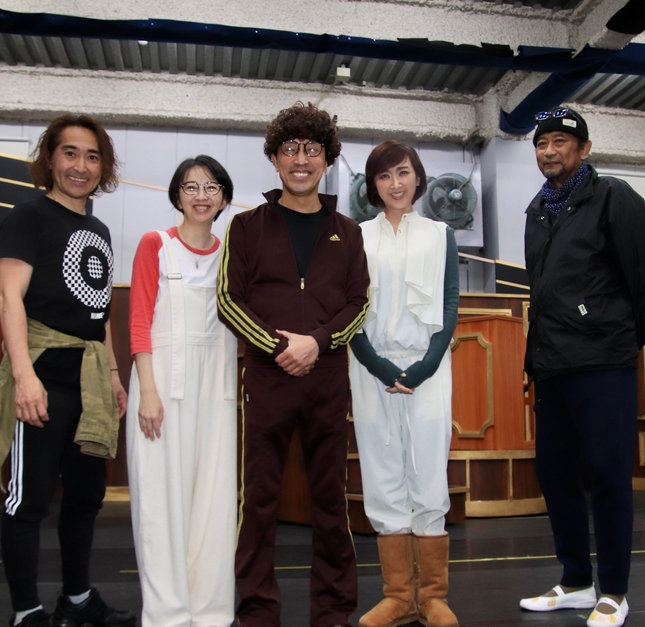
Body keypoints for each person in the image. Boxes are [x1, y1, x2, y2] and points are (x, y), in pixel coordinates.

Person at [0, 115, 136, 627]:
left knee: (86, 497)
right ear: (50, 159)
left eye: (92, 156)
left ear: (103, 167)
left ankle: (77, 598)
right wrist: (25, 377)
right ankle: (26, 613)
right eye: (70, 153)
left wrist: (113, 374)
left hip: (88, 379)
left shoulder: (99, 230)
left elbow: (99, 310)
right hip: (44, 374)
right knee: (29, 499)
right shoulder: (28, 217)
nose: (81, 166)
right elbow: (8, 298)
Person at [217, 102, 369, 627]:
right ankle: (258, 612)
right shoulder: (245, 227)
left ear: (326, 158)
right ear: (274, 158)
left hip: (327, 382)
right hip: (266, 379)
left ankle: (333, 612)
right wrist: (279, 347)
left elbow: (359, 304)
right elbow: (228, 300)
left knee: (331, 501)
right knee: (258, 501)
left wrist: (317, 343)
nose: (300, 159)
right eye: (290, 149)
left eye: (311, 149)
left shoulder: (348, 231)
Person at [518, 106, 645, 627]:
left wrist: (617, 337)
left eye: (560, 141)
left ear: (584, 148)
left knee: (607, 475)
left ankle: (614, 592)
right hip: (552, 365)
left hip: (604, 363)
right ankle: (577, 581)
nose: (549, 151)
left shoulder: (614, 197)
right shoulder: (537, 209)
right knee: (555, 475)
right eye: (542, 143)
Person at [349, 141, 460, 627]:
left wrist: (426, 365)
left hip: (427, 368)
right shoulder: (356, 236)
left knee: (428, 471)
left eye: (403, 172)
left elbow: (450, 302)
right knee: (382, 473)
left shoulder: (441, 234)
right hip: (370, 367)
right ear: (372, 185)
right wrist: (376, 365)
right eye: (384, 176)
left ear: (418, 177)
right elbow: (348, 308)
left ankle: (432, 596)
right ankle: (398, 595)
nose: (395, 184)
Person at [126, 156, 238, 627]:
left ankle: (211, 611)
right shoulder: (155, 244)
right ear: (177, 195)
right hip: (161, 387)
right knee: (160, 503)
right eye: (191, 187)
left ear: (224, 198)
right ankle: (167, 614)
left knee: (213, 504)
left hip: (217, 390)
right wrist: (147, 392)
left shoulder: (232, 254)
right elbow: (138, 322)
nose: (201, 196)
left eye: (211, 187)